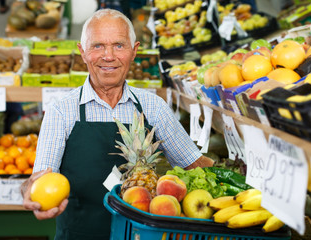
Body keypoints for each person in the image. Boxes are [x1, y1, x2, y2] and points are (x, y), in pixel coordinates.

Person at [20, 8, 214, 239]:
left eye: (119, 45)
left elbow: (195, 165)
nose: (108, 56)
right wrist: (29, 193)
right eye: (98, 46)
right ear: (83, 52)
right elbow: (40, 180)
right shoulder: (61, 111)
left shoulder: (153, 107)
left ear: (134, 51)